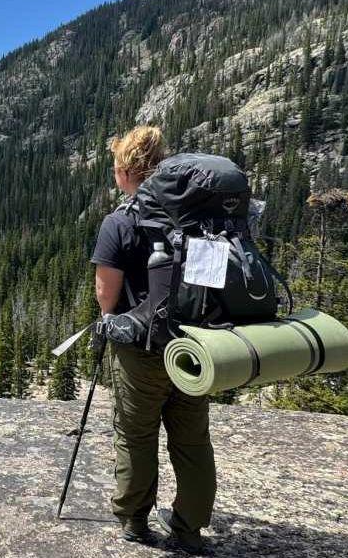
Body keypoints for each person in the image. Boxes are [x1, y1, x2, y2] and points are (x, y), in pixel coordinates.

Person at [90, 125, 215, 554]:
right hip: (195, 347)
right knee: (192, 437)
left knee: (135, 433)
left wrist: (109, 323)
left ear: (127, 171)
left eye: (115, 168)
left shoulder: (120, 222)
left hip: (140, 349)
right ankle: (189, 526)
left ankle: (134, 520)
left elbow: (107, 293)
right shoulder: (198, 217)